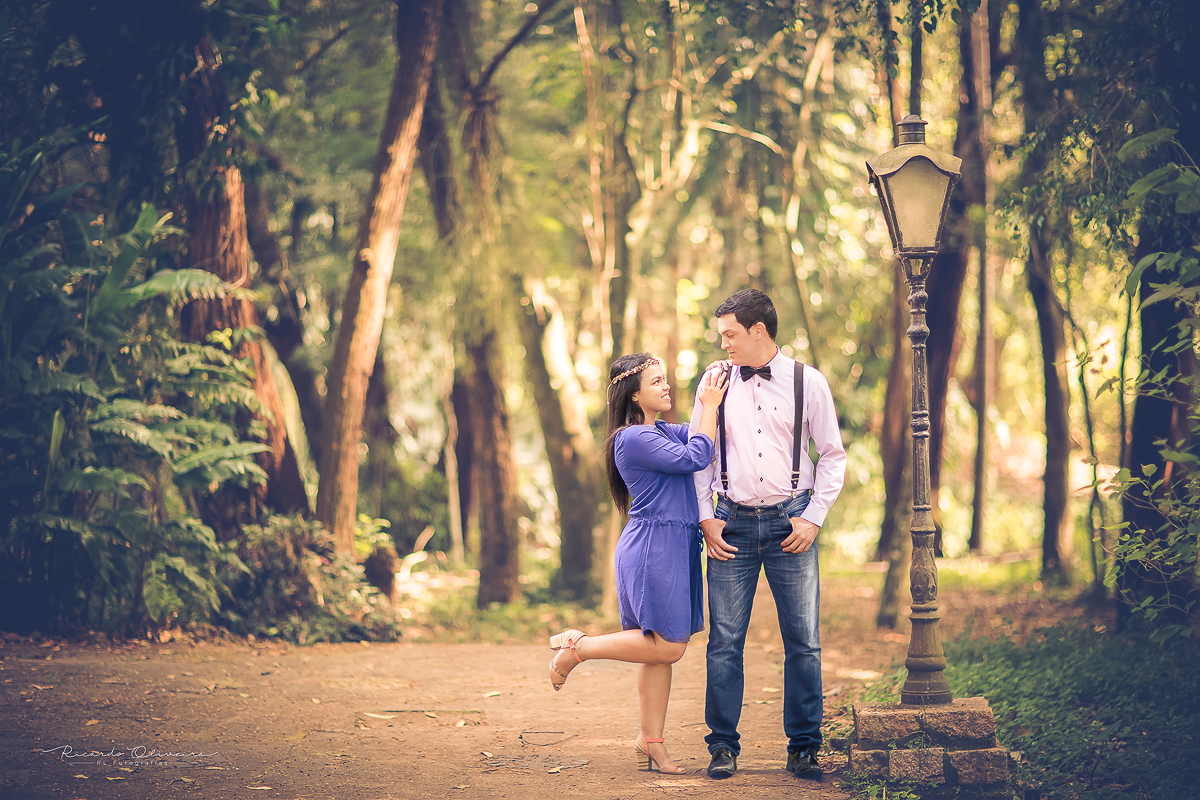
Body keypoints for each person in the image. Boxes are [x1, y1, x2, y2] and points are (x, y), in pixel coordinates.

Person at [690, 288, 846, 782]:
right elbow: (700, 453)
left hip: (790, 523)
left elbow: (832, 455)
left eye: (730, 334)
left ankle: (804, 748)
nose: (724, 344)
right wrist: (706, 517)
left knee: (803, 640)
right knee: (724, 641)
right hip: (729, 525)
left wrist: (814, 517)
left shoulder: (808, 382)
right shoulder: (714, 382)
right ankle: (722, 746)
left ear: (758, 331)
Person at [548, 352, 727, 774]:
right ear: (634, 393)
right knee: (670, 646)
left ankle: (652, 741)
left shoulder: (661, 431)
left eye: (665, 379)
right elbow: (696, 456)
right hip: (653, 547)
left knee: (655, 651)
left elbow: (706, 433)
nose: (666, 386)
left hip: (674, 544)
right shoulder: (632, 438)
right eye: (656, 381)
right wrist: (710, 403)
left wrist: (718, 382)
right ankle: (579, 648)